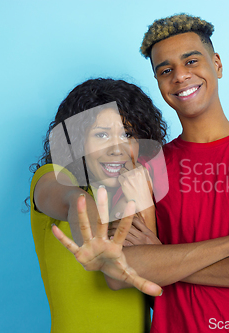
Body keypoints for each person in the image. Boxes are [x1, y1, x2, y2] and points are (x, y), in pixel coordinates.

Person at [53, 13, 229, 333]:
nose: (180, 76)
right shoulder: (142, 166)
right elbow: (118, 271)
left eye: (191, 61)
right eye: (166, 70)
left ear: (217, 64)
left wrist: (164, 260)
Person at [29, 78, 168, 333]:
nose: (117, 149)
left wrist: (146, 207)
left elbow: (160, 300)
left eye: (128, 134)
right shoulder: (55, 177)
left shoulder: (133, 198)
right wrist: (94, 238)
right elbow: (74, 201)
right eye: (101, 135)